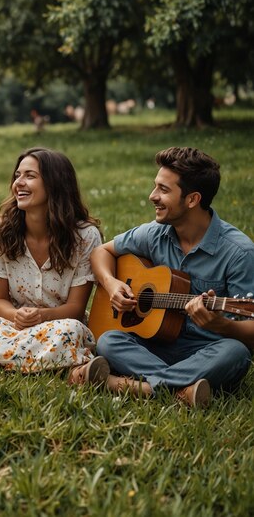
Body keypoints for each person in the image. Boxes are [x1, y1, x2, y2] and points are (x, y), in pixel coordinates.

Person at [89, 147, 254, 408]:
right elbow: (101, 252)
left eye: (163, 190)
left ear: (192, 199)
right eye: (156, 187)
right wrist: (112, 284)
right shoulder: (155, 234)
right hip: (156, 344)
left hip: (205, 351)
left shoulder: (238, 252)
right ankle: (181, 391)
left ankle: (126, 386)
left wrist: (222, 325)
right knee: (109, 339)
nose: (152, 196)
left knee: (236, 354)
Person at [0, 147, 107, 380]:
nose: (19, 183)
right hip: (9, 322)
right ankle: (67, 370)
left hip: (58, 322)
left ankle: (5, 362)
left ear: (55, 183)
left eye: (30, 176)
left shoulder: (85, 237)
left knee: (71, 331)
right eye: (17, 175)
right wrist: (17, 317)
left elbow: (75, 309)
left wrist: (41, 316)